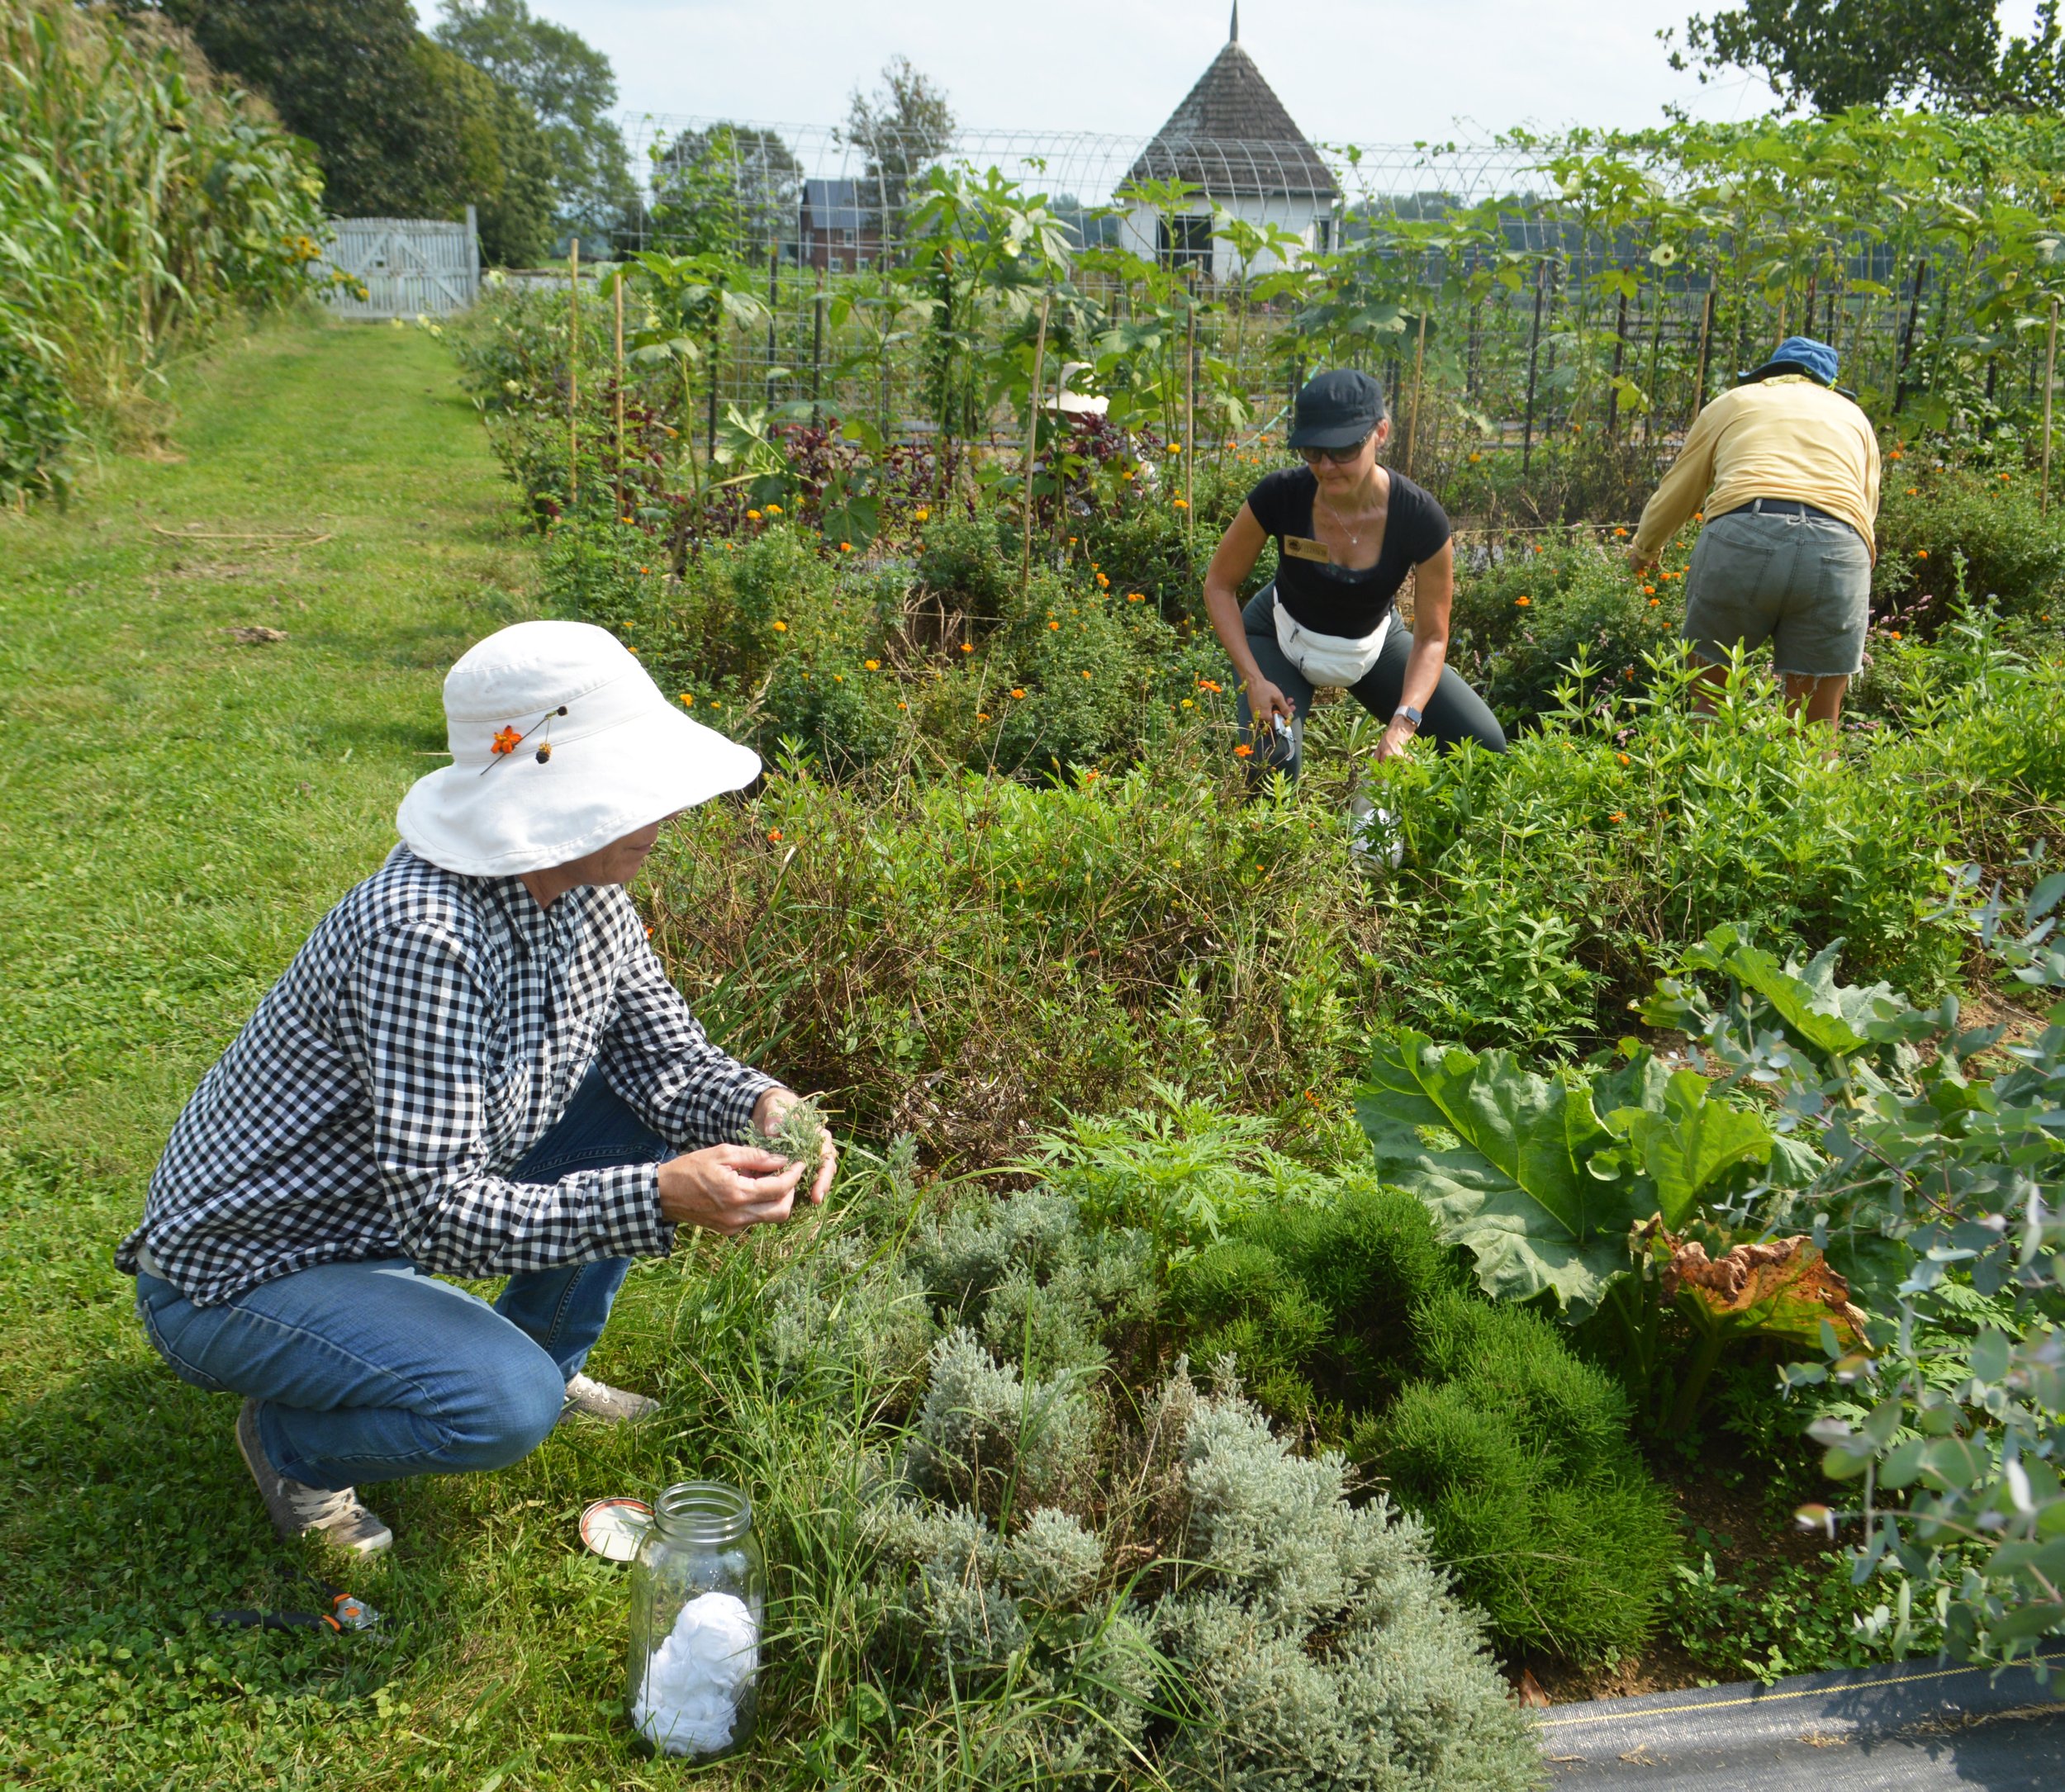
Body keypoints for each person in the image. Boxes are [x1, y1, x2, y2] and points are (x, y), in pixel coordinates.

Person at [118, 620, 834, 1554]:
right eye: (633, 789)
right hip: (248, 1268)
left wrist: (762, 1103)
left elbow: (666, 1065)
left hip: (369, 1217)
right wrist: (660, 1194)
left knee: (633, 1108)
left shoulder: (590, 899)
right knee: (502, 1405)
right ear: (554, 801)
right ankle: (295, 1445)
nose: (663, 811)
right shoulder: (424, 935)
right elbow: (442, 1216)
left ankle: (534, 1353)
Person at [1202, 367, 1506, 782]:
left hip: (1372, 643)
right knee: (1272, 763)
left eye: (1342, 450)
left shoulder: (1420, 518)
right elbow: (1219, 584)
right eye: (1312, 451)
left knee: (1483, 743)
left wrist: (1405, 721)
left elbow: (1433, 637)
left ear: (1380, 433)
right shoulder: (1279, 495)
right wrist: (1253, 679)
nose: (1326, 467)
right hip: (1282, 635)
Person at [1628, 334, 1881, 729]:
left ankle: (1709, 786)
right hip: (1839, 547)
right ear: (1829, 385)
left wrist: (1645, 549)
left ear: (1766, 373)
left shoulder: (1735, 401)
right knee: (1814, 728)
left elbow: (1681, 488)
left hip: (1744, 535)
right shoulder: (1854, 418)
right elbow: (1866, 510)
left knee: (1708, 708)